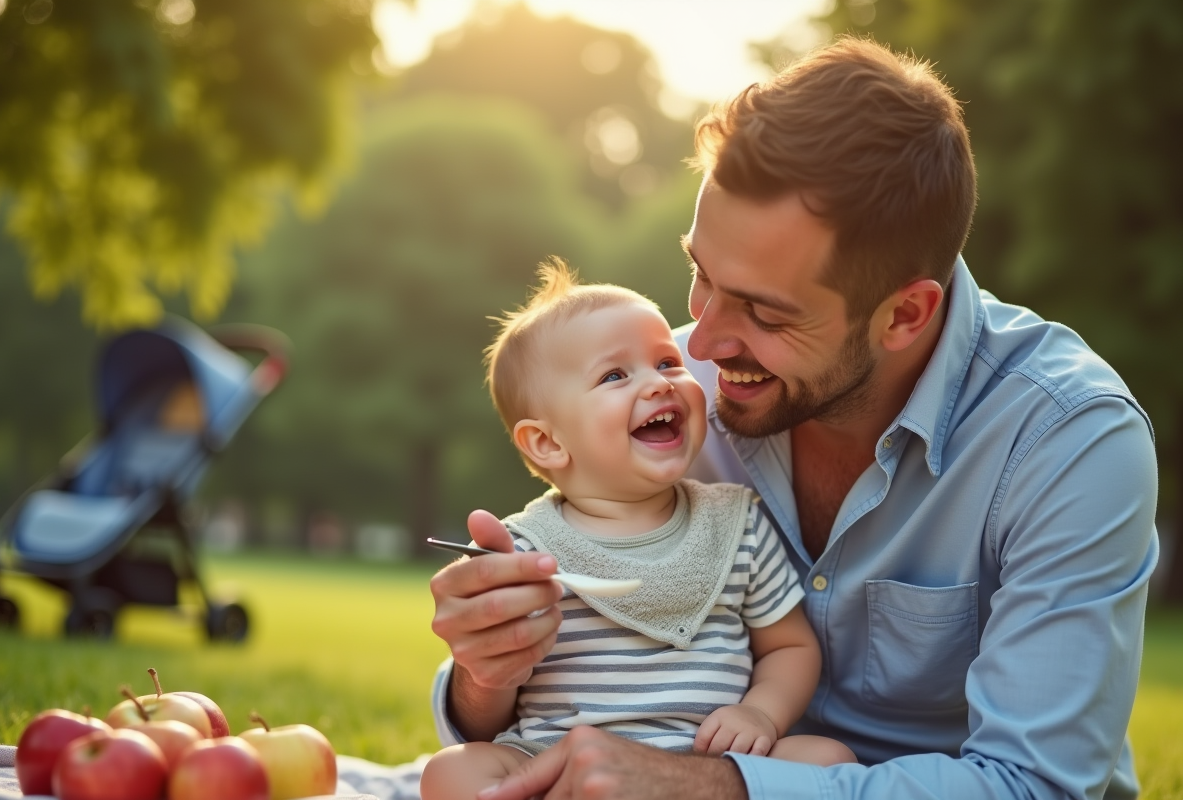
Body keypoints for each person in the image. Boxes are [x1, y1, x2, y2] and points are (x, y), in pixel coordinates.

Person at [427, 37, 1159, 800]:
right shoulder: (666, 400)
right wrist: (488, 669)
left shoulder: (1069, 443)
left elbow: (1031, 786)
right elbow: (518, 717)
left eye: (763, 311)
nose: (702, 344)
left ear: (905, 314)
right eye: (700, 276)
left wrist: (715, 786)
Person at [421, 261, 855, 800]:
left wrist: (760, 713)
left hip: (707, 765)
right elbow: (499, 684)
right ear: (548, 443)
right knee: (452, 770)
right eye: (614, 376)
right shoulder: (525, 550)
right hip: (556, 767)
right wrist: (495, 655)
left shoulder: (738, 523)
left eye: (668, 362)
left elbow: (790, 647)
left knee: (827, 760)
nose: (659, 384)